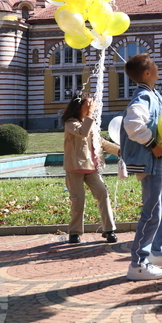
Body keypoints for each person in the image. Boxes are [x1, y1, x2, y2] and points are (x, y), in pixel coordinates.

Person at [121, 53, 162, 280]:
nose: (158, 66)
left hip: (161, 160)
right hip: (151, 161)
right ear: (147, 73)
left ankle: (158, 251)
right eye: (154, 65)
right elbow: (132, 123)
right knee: (152, 212)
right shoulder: (143, 96)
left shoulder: (153, 93)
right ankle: (138, 264)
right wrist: (152, 144)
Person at [62, 93, 120, 245]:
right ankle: (74, 232)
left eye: (91, 104)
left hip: (91, 168)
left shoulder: (90, 123)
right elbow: (82, 133)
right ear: (79, 106)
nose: (92, 107)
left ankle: (109, 230)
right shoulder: (71, 123)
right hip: (75, 169)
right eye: (88, 104)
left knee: (102, 193)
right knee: (78, 201)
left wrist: (119, 150)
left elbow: (99, 141)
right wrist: (90, 114)